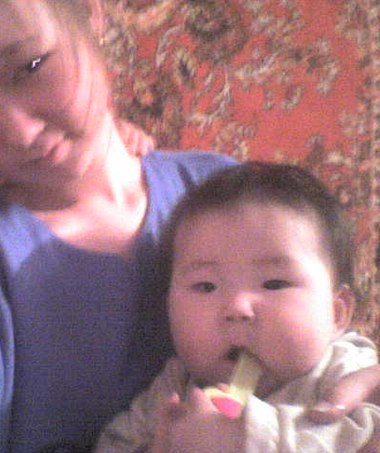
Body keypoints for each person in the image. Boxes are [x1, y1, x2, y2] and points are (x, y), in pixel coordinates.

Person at [0, 1, 380, 452]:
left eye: (30, 67)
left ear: (91, 15)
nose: (19, 131)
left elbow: (327, 323)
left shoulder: (224, 191)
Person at [95, 162, 380, 452]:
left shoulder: (344, 370)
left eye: (274, 284)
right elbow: (114, 444)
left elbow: (364, 432)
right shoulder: (177, 385)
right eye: (206, 286)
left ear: (337, 313)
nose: (237, 308)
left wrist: (245, 437)